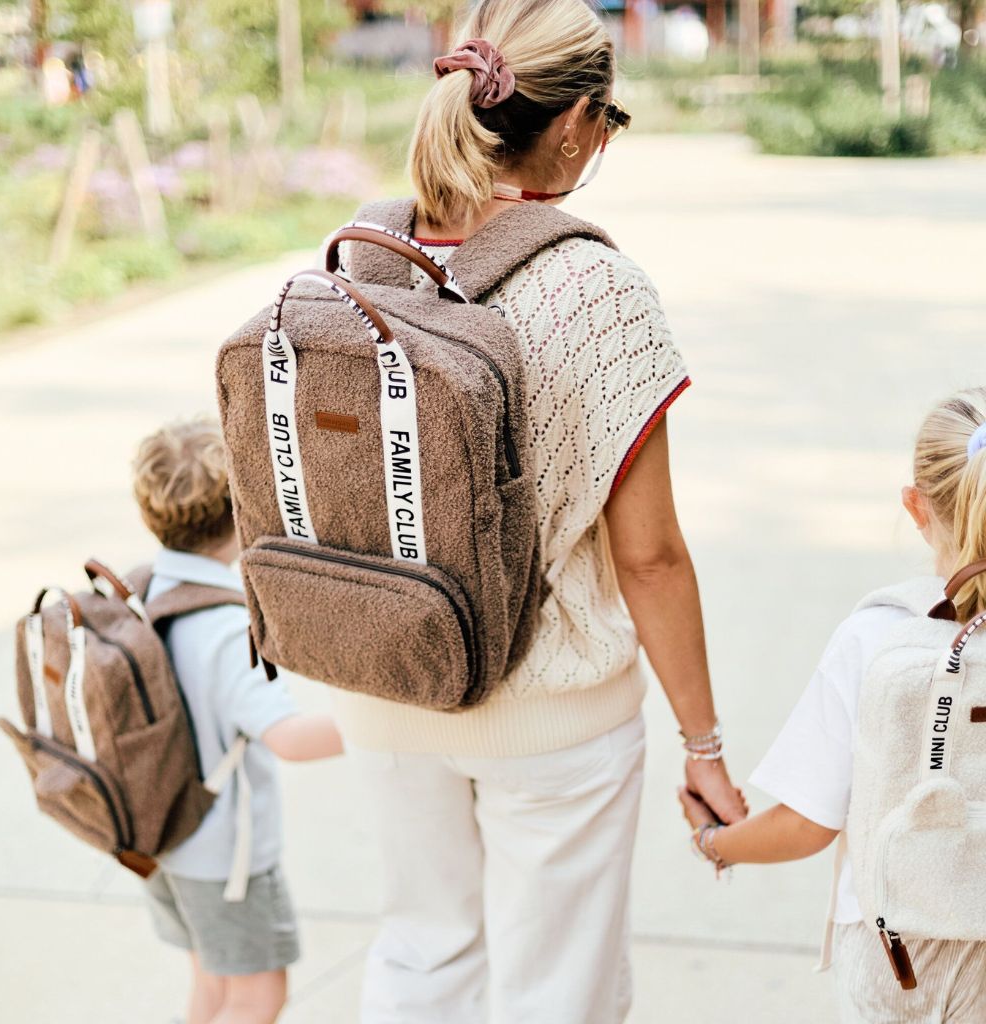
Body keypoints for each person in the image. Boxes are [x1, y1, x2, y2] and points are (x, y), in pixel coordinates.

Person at [331, 2, 747, 1021]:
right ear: (573, 125)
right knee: (557, 991)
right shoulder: (595, 286)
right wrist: (703, 745)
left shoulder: (361, 253)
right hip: (548, 715)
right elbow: (647, 557)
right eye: (609, 121)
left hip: (386, 684)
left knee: (423, 954)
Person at [678, 387, 986, 1022]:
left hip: (894, 951)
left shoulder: (875, 640)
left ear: (915, 506)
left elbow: (807, 825)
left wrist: (716, 842)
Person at [132, 418, 343, 1024]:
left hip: (162, 838)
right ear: (243, 508)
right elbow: (291, 739)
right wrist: (386, 722)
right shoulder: (225, 629)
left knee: (212, 983)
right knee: (257, 995)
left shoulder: (144, 590)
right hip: (225, 859)